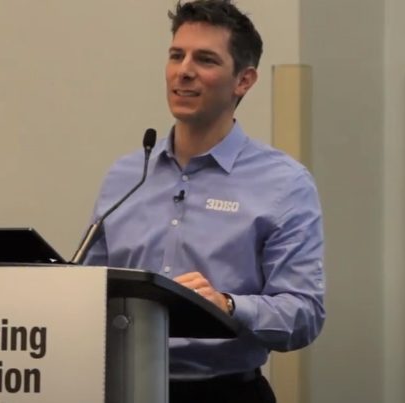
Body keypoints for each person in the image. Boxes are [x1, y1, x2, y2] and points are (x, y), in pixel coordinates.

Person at [83, 1, 325, 402]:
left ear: (243, 81)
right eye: (176, 55)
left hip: (225, 392)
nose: (184, 71)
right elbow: (91, 293)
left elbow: (304, 314)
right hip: (122, 389)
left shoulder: (284, 184)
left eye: (205, 59)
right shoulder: (126, 176)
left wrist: (227, 305)